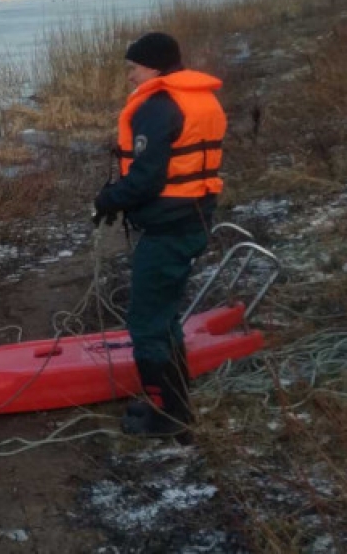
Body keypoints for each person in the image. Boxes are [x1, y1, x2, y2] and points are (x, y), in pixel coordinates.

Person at [92, 32, 226, 444]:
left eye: (132, 68)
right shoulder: (199, 98)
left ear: (152, 66)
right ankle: (174, 403)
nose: (129, 77)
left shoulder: (158, 107)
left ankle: (171, 418)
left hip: (171, 227)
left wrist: (107, 200)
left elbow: (147, 179)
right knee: (164, 316)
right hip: (191, 219)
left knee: (148, 322)